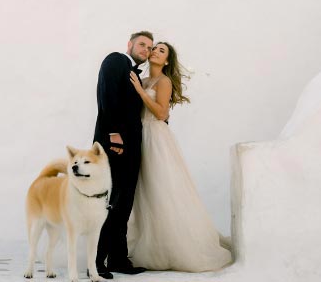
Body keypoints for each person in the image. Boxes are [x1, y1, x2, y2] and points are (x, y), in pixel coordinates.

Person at [126, 41, 232, 272]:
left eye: (161, 50)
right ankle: (148, 241)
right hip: (139, 137)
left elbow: (161, 112)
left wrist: (140, 92)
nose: (155, 51)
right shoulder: (142, 80)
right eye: (154, 48)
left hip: (155, 137)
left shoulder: (163, 82)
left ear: (166, 60)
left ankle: (172, 247)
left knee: (161, 188)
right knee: (142, 191)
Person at [93, 31, 153, 278]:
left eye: (150, 47)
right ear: (129, 44)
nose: (146, 50)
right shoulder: (115, 60)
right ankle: (96, 262)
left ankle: (118, 259)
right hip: (114, 144)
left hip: (130, 147)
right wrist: (115, 135)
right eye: (142, 44)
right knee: (111, 203)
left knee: (124, 204)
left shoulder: (134, 73)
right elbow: (107, 98)